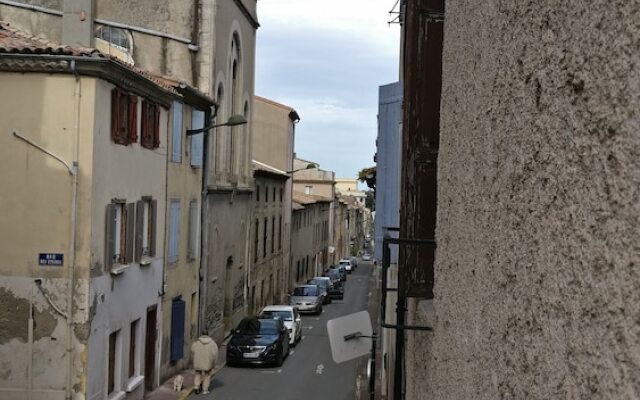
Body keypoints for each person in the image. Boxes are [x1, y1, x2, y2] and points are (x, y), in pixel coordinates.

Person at [190, 329, 219, 395]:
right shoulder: (212, 343)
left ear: (202, 334)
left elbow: (192, 350)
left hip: (198, 361)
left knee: (198, 374)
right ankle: (205, 389)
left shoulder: (196, 342)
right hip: (208, 362)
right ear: (208, 334)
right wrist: (214, 363)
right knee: (207, 375)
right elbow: (215, 354)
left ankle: (196, 386)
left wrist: (193, 360)